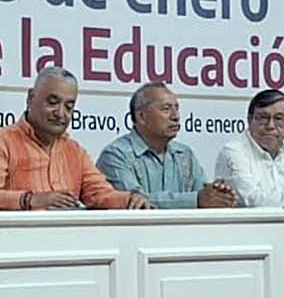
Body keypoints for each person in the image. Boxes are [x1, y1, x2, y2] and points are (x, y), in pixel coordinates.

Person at [0, 67, 151, 211]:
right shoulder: (0, 143)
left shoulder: (74, 151)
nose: (61, 113)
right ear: (30, 98)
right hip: (16, 241)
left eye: (69, 107)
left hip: (68, 241)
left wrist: (130, 199)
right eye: (52, 102)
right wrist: (31, 200)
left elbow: (100, 194)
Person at [96, 82, 237, 209]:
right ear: (141, 117)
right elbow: (135, 202)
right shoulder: (115, 155)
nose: (175, 116)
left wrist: (217, 196)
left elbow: (204, 196)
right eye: (166, 109)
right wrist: (196, 200)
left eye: (177, 108)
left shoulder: (184, 154)